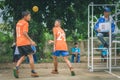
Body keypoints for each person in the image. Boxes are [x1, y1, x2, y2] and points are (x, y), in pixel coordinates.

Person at [13, 11, 39, 78]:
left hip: (19, 43)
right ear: (25, 16)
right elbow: (24, 33)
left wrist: (16, 41)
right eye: (29, 16)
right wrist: (31, 41)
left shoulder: (18, 22)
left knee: (23, 56)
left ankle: (16, 67)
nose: (30, 17)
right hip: (24, 42)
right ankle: (33, 72)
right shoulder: (25, 23)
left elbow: (18, 33)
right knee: (30, 56)